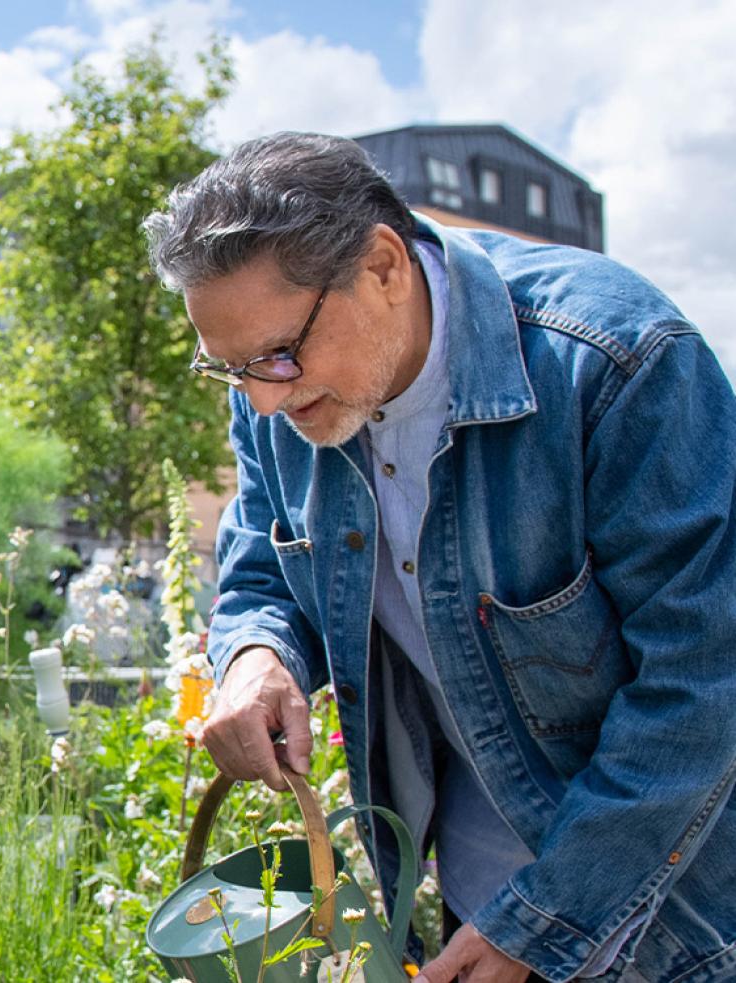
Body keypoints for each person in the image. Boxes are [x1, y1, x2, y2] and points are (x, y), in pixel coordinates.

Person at [142, 132, 736, 983]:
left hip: (669, 920)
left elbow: (706, 682)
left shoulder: (613, 360)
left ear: (383, 267)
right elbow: (262, 561)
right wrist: (256, 651)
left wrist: (541, 921)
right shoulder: (280, 394)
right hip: (472, 907)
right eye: (231, 370)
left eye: (278, 356)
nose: (264, 400)